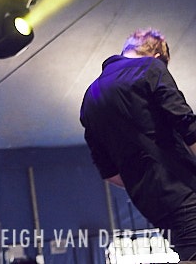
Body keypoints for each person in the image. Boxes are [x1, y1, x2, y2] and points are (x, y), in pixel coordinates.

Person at [80, 28, 196, 261]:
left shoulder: (89, 98)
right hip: (183, 188)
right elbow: (186, 125)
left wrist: (144, 180)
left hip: (150, 203)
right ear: (157, 56)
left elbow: (109, 172)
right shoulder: (150, 68)